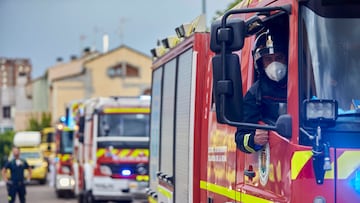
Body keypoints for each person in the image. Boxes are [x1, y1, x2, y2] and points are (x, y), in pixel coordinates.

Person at [235, 29, 288, 153]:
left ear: (286, 58)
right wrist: (254, 139)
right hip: (274, 156)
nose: (274, 64)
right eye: (268, 59)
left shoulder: (304, 86)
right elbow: (240, 138)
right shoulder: (254, 94)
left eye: (279, 58)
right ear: (261, 64)